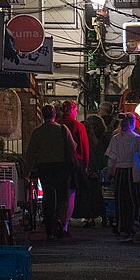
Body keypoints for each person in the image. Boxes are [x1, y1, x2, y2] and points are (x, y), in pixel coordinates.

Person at [25, 105, 78, 239]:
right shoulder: (62, 129)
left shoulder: (37, 131)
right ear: (55, 114)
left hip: (45, 167)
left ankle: (49, 227)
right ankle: (60, 222)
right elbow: (72, 147)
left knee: (48, 196)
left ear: (43, 115)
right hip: (61, 167)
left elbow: (30, 153)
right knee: (63, 196)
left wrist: (26, 170)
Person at [105, 113, 140, 241]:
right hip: (133, 172)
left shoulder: (115, 138)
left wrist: (110, 173)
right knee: (135, 200)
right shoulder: (137, 138)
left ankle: (122, 227)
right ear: (133, 123)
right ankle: (135, 225)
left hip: (119, 172)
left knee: (121, 200)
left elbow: (111, 159)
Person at [57, 100, 90, 235]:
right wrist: (86, 165)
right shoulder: (78, 126)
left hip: (57, 163)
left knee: (57, 194)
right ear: (73, 110)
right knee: (70, 195)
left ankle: (56, 220)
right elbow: (84, 147)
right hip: (74, 164)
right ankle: (65, 224)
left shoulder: (57, 125)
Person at [74, 114, 108, 226]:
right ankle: (97, 215)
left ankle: (87, 216)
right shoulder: (98, 141)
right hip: (95, 172)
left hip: (85, 171)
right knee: (95, 194)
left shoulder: (82, 140)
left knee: (85, 194)